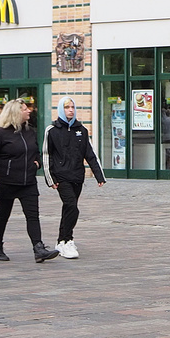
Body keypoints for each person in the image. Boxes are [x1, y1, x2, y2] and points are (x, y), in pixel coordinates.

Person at [0, 98, 60, 263]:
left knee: (33, 215)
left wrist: (37, 163)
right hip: (6, 181)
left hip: (28, 181)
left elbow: (35, 151)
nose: (29, 111)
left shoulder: (30, 131)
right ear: (15, 112)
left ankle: (38, 248)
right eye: (25, 109)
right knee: (3, 215)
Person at [46, 96, 106, 259]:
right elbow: (46, 155)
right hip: (61, 177)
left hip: (77, 176)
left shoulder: (82, 130)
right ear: (61, 110)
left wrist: (99, 175)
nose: (70, 110)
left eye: (72, 107)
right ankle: (68, 239)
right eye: (67, 107)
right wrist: (50, 178)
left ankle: (61, 241)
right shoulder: (52, 130)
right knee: (71, 205)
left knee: (68, 208)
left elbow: (90, 154)